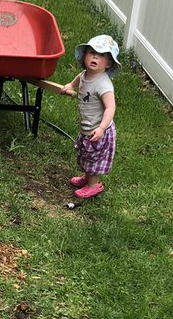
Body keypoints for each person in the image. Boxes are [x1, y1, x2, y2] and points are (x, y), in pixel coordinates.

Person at [41, 34, 119, 199]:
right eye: (91, 52)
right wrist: (70, 85)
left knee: (94, 158)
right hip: (87, 127)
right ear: (84, 57)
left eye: (102, 55)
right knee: (86, 154)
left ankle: (94, 185)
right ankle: (87, 178)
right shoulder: (85, 74)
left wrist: (101, 128)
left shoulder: (104, 85)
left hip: (99, 129)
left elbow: (110, 107)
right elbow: (79, 79)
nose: (95, 56)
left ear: (109, 63)